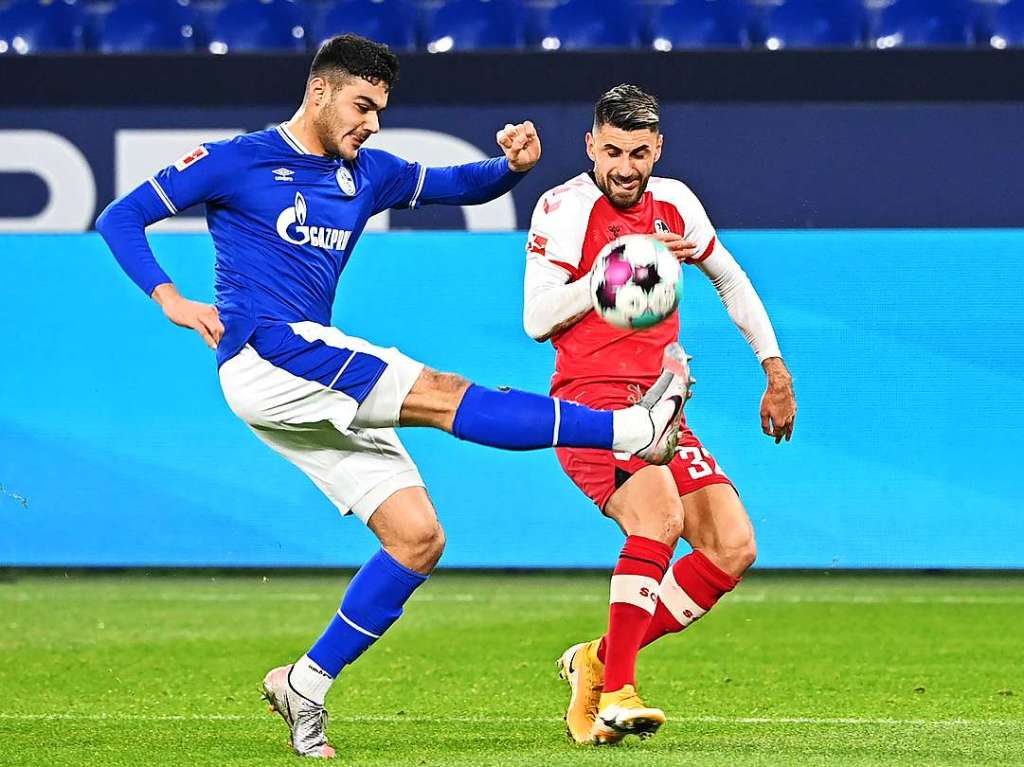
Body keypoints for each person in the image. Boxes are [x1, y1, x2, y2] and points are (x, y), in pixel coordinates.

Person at [96, 39, 689, 759]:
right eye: (362, 105)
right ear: (319, 91)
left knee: (417, 537)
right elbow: (120, 217)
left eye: (381, 109)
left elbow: (456, 184)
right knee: (442, 393)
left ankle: (305, 683)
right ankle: (633, 428)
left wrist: (511, 168)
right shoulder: (237, 158)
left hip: (306, 376)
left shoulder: (365, 173)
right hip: (269, 351)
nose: (372, 123)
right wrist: (169, 297)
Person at [522, 84, 797, 745]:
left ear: (658, 149)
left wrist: (774, 366)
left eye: (638, 153)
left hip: (660, 403)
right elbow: (535, 320)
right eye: (611, 150)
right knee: (660, 518)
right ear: (591, 144)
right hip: (590, 403)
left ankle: (596, 660)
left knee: (732, 545)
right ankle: (617, 690)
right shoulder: (561, 208)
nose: (624, 166)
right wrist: (607, 275)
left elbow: (730, 278)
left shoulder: (675, 204)